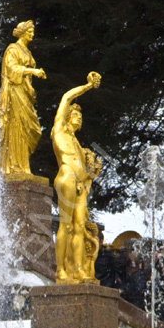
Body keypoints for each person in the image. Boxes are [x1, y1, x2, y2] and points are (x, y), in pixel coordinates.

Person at [52, 72, 102, 283]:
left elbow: (85, 171)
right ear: (67, 117)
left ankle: (79, 270)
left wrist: (93, 172)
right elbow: (66, 97)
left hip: (80, 184)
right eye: (75, 115)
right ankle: (60, 270)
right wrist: (88, 86)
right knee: (65, 225)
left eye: (80, 116)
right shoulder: (59, 130)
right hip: (66, 177)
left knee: (79, 227)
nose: (79, 118)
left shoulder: (79, 147)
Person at [0, 20, 47, 180]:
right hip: (15, 91)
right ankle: (15, 166)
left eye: (33, 31)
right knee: (17, 125)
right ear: (22, 33)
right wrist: (32, 71)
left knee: (30, 127)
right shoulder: (13, 49)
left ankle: (24, 166)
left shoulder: (27, 52)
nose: (32, 34)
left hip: (26, 92)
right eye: (29, 31)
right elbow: (11, 69)